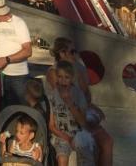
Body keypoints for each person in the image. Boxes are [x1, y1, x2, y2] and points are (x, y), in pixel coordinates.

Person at [46, 38, 113, 166]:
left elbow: (86, 95)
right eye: (73, 51)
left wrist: (91, 107)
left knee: (107, 141)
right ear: (62, 53)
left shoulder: (79, 68)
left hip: (80, 115)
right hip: (66, 120)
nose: (76, 55)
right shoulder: (54, 73)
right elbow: (63, 99)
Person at [45, 61, 87, 166]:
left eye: (66, 77)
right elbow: (51, 126)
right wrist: (68, 139)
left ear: (72, 78)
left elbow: (83, 122)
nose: (63, 80)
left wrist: (69, 103)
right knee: (62, 158)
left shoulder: (78, 94)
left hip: (78, 134)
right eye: (60, 76)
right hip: (61, 136)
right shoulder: (52, 96)